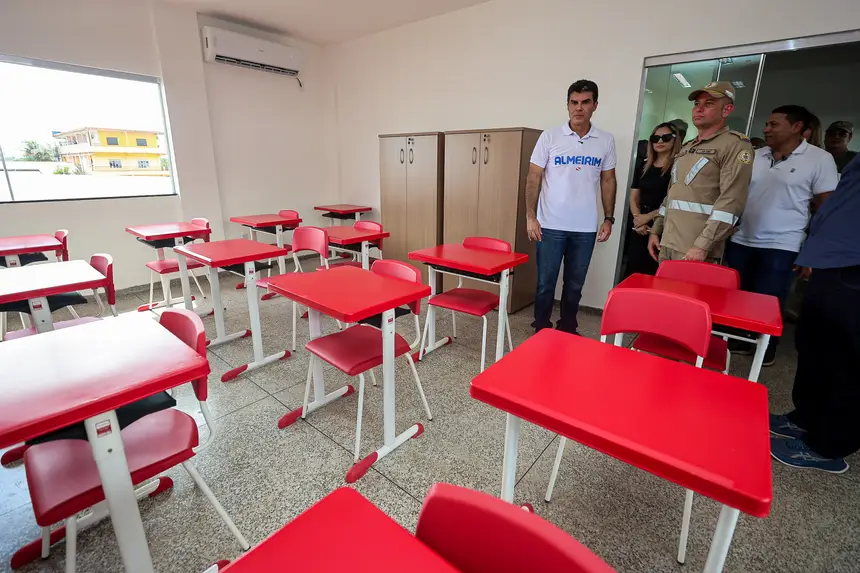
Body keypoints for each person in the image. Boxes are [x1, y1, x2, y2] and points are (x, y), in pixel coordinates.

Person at [726, 105, 838, 366]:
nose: (766, 129)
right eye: (767, 124)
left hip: (783, 243)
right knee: (740, 294)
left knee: (771, 298)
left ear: (797, 127)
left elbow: (827, 208)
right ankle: (741, 339)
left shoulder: (819, 159)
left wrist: (814, 250)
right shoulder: (755, 156)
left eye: (773, 124)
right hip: (742, 238)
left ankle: (766, 347)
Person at [769, 154, 860, 473]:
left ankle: (829, 445)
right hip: (831, 258)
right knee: (815, 345)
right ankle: (807, 417)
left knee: (849, 357)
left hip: (854, 263)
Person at [526, 79, 617, 334]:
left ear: (595, 105)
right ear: (567, 105)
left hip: (585, 228)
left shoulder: (605, 140)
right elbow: (533, 178)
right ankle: (541, 327)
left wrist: (608, 218)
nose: (579, 108)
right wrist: (531, 216)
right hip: (550, 224)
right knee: (545, 283)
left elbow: (608, 180)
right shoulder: (550, 136)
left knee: (575, 285)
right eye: (574, 102)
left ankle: (567, 327)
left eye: (585, 102)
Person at [648, 81, 753, 263]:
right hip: (668, 242)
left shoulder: (734, 145)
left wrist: (702, 245)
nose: (699, 109)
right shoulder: (688, 147)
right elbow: (672, 195)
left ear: (726, 110)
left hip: (695, 249)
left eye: (709, 104)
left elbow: (731, 202)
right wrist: (656, 230)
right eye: (697, 103)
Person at [624, 122, 680, 277]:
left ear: (675, 139)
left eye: (665, 137)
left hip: (662, 225)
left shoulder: (677, 167)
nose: (660, 141)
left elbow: (673, 200)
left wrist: (647, 217)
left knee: (654, 271)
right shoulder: (644, 166)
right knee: (633, 270)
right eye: (655, 138)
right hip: (639, 226)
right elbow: (634, 196)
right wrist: (638, 219)